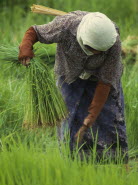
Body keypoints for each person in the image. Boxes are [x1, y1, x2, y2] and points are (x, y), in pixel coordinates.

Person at [18, 11, 128, 162]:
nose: (96, 53)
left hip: (99, 78)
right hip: (69, 75)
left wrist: (91, 116)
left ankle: (115, 161)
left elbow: (106, 81)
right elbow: (35, 31)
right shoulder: (66, 25)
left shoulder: (112, 40)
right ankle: (73, 161)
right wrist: (25, 46)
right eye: (92, 49)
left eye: (100, 52)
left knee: (110, 118)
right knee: (69, 119)